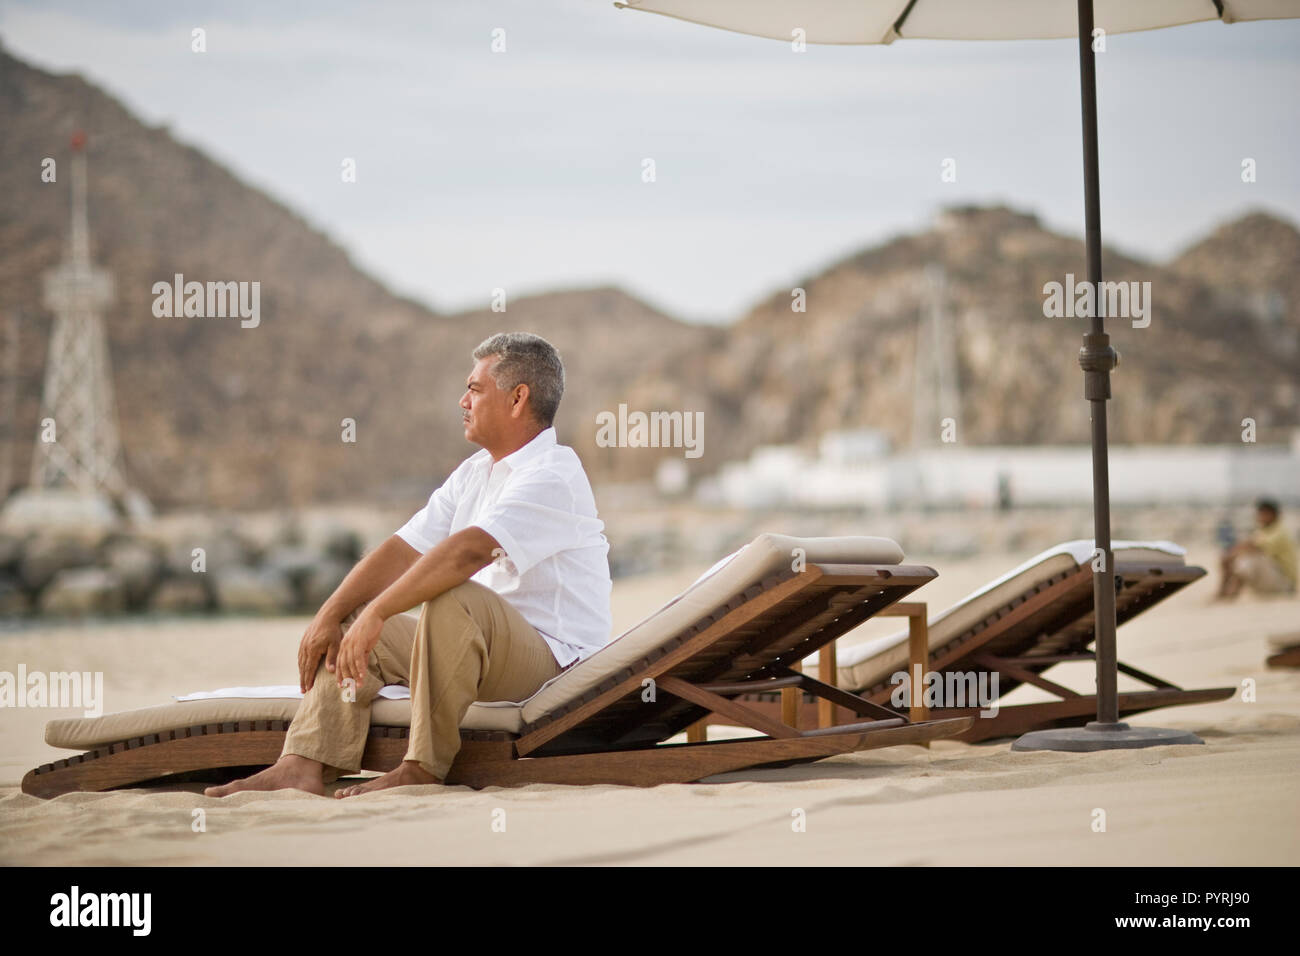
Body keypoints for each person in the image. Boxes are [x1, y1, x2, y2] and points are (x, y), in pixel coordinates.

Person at [207, 332, 612, 797]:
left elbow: (468, 552)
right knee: (356, 622)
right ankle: (304, 763)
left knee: (450, 596)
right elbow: (403, 549)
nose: (463, 401)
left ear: (518, 397)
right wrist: (333, 613)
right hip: (474, 650)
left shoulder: (552, 474)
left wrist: (381, 611)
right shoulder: (475, 473)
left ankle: (421, 768)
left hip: (553, 665)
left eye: (475, 389)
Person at [1217, 498, 1297, 599]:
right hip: (1270, 581)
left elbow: (1257, 547)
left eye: (1263, 514)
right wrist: (1230, 555)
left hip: (1284, 583)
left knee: (1250, 559)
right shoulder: (1263, 531)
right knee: (1239, 557)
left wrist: (1231, 556)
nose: (1260, 517)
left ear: (1272, 514)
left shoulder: (1280, 531)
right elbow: (1249, 544)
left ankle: (1232, 593)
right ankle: (1224, 592)